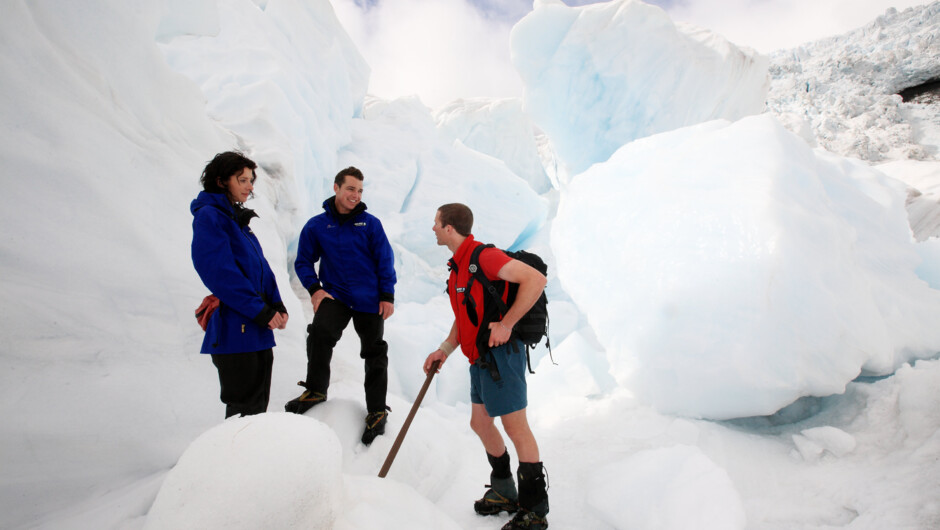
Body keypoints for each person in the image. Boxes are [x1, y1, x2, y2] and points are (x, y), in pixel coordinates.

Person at [423, 203, 550, 530]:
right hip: (480, 359)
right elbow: (464, 317)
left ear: (449, 227)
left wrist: (507, 323)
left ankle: (535, 509)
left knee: (515, 427)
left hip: (502, 356)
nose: (433, 229)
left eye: (436, 223)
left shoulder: (483, 257)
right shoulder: (458, 267)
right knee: (480, 423)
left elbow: (535, 280)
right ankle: (506, 492)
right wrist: (444, 350)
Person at [285, 166, 397, 446]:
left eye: (359, 190)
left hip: (369, 298)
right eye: (350, 189)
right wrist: (315, 289)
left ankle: (376, 411)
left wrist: (387, 295)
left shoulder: (370, 224)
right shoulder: (317, 225)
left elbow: (385, 260)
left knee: (374, 353)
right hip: (336, 295)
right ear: (336, 188)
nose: (356, 195)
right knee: (320, 335)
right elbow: (303, 261)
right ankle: (315, 391)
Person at [191, 151, 289, 419]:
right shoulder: (210, 217)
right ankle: (233, 460)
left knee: (256, 410)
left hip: (255, 329)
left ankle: (251, 460)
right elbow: (220, 274)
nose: (250, 186)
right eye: (242, 179)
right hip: (235, 328)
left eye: (251, 180)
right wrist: (261, 311)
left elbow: (261, 268)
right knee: (243, 412)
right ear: (222, 181)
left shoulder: (237, 220)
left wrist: (276, 304)